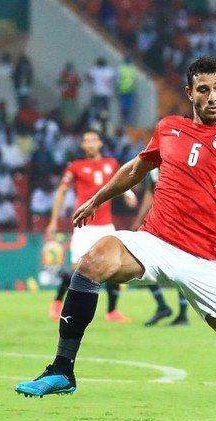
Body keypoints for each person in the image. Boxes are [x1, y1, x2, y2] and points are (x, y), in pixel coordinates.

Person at [16, 56, 216, 421]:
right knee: (90, 263)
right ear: (189, 93)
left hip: (207, 261)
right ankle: (62, 369)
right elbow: (136, 168)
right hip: (154, 241)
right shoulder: (168, 128)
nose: (212, 97)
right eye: (203, 90)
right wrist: (98, 198)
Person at [46, 130, 138, 323]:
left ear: (100, 143)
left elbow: (120, 182)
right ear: (82, 145)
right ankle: (56, 302)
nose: (90, 144)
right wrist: (54, 220)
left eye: (93, 140)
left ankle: (112, 311)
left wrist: (129, 194)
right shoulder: (75, 167)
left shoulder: (111, 164)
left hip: (106, 226)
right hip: (85, 225)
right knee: (77, 268)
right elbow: (62, 192)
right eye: (86, 141)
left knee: (114, 267)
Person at [131, 168, 189, 327]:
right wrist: (139, 220)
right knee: (143, 262)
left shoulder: (182, 163)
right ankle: (162, 306)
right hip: (159, 224)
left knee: (179, 268)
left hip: (181, 224)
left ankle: (183, 314)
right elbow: (150, 194)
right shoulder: (153, 169)